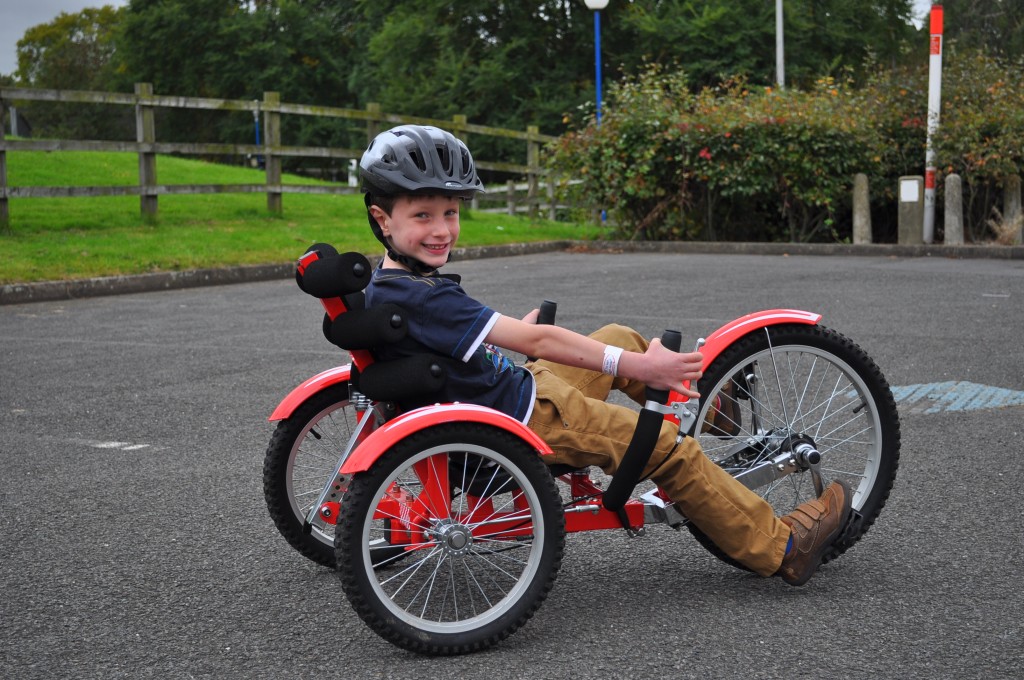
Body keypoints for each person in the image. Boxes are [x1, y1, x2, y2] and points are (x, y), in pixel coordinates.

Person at [357, 124, 851, 586]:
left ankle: (712, 409)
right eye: (423, 216)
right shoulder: (427, 297)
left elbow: (460, 340)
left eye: (450, 213)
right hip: (531, 416)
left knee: (617, 334)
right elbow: (540, 344)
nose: (442, 229)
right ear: (382, 219)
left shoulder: (393, 287)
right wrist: (639, 368)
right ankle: (782, 546)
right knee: (668, 446)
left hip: (509, 393)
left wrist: (504, 338)